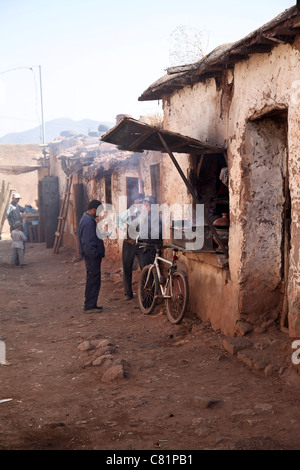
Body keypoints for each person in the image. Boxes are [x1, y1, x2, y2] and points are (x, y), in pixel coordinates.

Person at [78, 200, 105, 312]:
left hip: (91, 256)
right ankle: (89, 305)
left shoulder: (87, 219)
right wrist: (95, 255)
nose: (99, 214)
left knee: (93, 280)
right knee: (93, 280)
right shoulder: (88, 222)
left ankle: (91, 304)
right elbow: (88, 243)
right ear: (94, 210)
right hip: (92, 257)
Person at [116, 193, 145, 301]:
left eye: (141, 202)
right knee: (127, 267)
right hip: (129, 243)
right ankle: (128, 293)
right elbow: (118, 220)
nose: (139, 204)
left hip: (141, 243)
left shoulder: (145, 213)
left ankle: (144, 293)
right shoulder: (129, 212)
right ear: (134, 202)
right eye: (137, 202)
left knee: (144, 267)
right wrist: (124, 228)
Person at [139, 195, 163, 266]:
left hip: (151, 248)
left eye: (143, 203)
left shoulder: (152, 216)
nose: (142, 205)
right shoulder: (150, 215)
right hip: (150, 247)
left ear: (147, 204)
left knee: (148, 272)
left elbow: (155, 233)